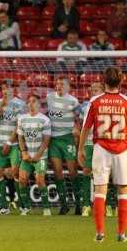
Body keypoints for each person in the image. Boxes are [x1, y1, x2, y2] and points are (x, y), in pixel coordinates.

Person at [78, 67, 127, 243]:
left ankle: (100, 232)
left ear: (103, 81)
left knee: (100, 190)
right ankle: (121, 233)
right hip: (122, 149)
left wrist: (80, 148)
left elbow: (85, 127)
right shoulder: (125, 101)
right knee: (123, 190)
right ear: (121, 81)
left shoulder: (95, 101)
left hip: (101, 149)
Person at [78, 82, 118, 217]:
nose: (92, 92)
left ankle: (110, 205)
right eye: (91, 90)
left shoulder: (110, 103)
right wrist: (81, 146)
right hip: (90, 142)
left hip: (106, 142)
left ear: (103, 90)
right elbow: (84, 126)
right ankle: (86, 205)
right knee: (86, 171)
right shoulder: (87, 105)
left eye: (96, 89)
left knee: (110, 174)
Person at [47, 77, 81, 215]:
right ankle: (64, 204)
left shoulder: (73, 101)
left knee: (72, 172)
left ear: (68, 87)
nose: (59, 86)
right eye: (58, 83)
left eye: (62, 84)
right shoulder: (49, 97)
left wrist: (76, 128)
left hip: (68, 139)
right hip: (54, 139)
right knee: (57, 172)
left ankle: (79, 204)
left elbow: (79, 119)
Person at [0, 81, 26, 214]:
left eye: (8, 88)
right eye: (3, 88)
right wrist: (0, 106)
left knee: (15, 173)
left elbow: (19, 126)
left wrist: (10, 142)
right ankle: (4, 206)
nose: (5, 91)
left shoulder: (20, 104)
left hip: (14, 144)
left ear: (13, 89)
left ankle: (23, 204)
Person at [17, 94, 52, 216]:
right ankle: (26, 207)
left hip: (40, 156)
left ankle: (46, 208)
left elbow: (46, 140)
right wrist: (24, 152)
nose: (31, 103)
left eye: (34, 101)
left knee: (40, 180)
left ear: (38, 104)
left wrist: (38, 155)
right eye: (29, 101)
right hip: (27, 155)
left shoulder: (45, 119)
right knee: (22, 179)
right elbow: (20, 137)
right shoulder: (22, 118)